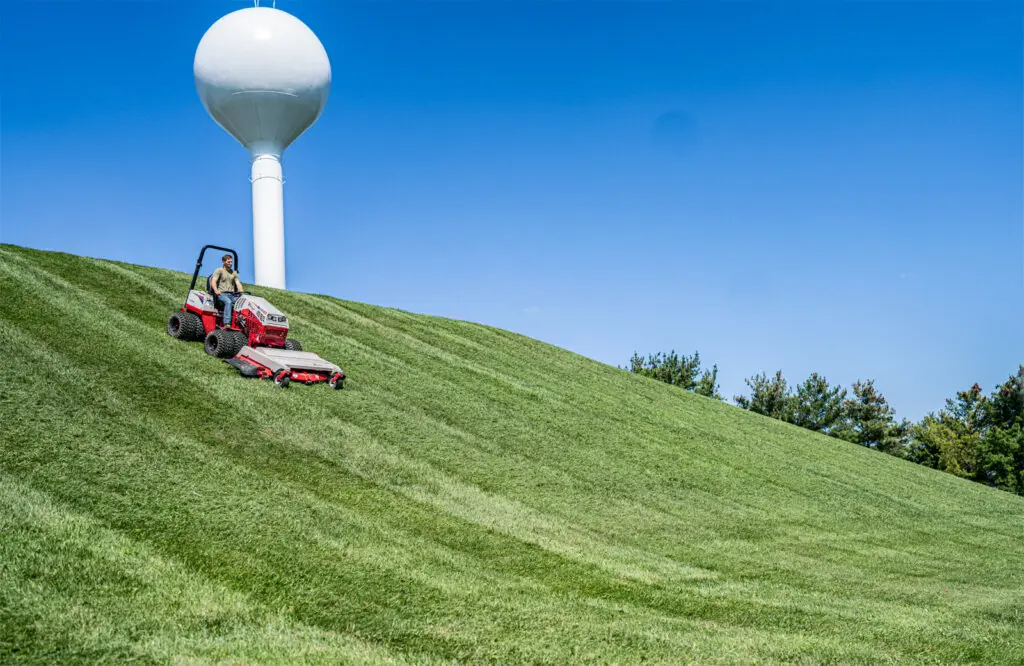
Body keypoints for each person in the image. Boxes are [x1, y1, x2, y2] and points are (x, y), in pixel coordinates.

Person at [210, 254, 244, 326]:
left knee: (242, 303)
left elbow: (238, 284)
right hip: (221, 294)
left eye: (231, 262)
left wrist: (242, 294)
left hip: (232, 295)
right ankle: (227, 323)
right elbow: (213, 281)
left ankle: (240, 323)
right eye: (229, 262)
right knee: (228, 302)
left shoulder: (234, 272)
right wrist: (216, 290)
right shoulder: (219, 270)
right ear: (223, 262)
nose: (230, 264)